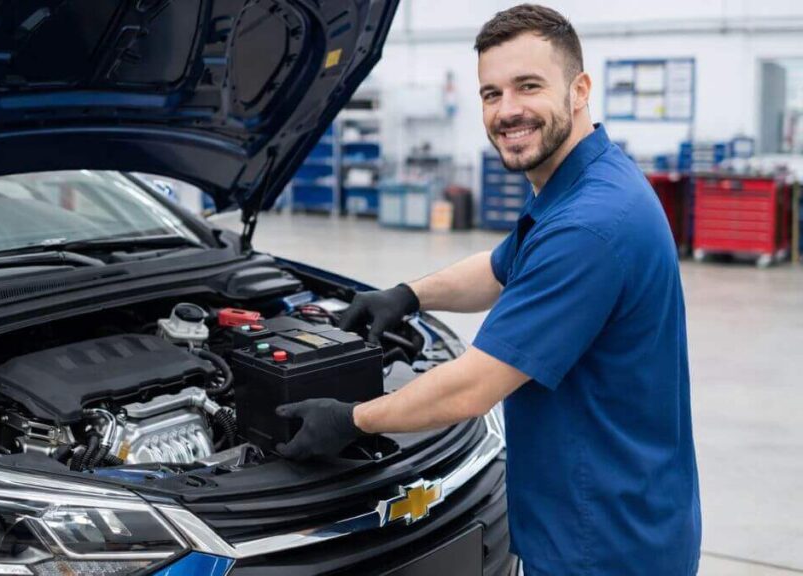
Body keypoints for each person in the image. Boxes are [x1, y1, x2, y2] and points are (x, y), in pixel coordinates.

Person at [274, 4, 701, 575]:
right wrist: (406, 294)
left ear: (579, 89)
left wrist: (351, 419)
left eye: (528, 86)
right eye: (491, 93)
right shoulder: (582, 185)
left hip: (602, 544)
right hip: (622, 510)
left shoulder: (588, 226)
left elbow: (472, 389)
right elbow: (502, 267)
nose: (508, 110)